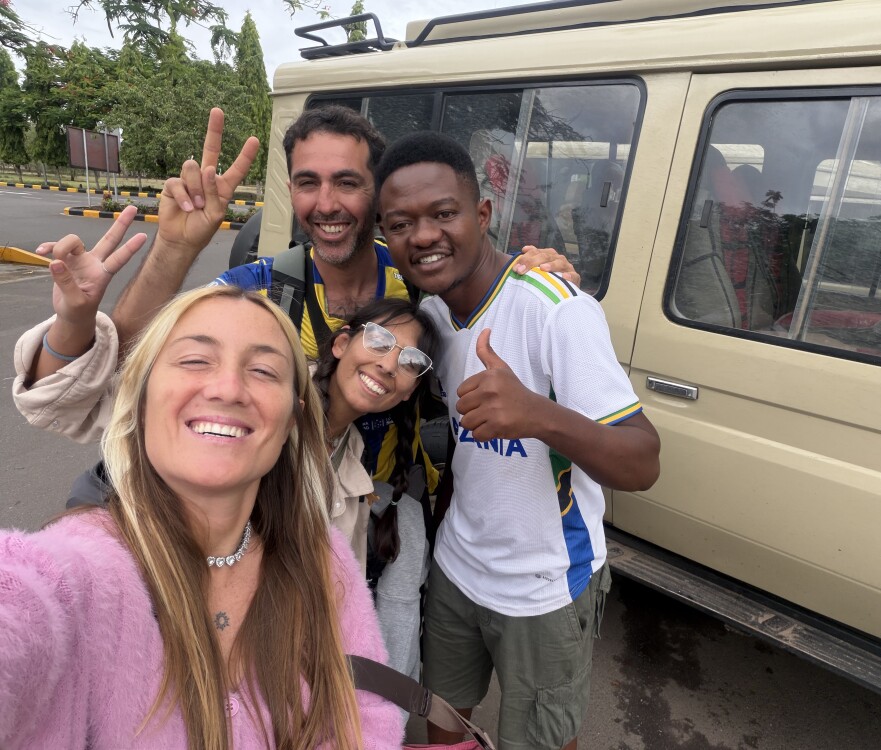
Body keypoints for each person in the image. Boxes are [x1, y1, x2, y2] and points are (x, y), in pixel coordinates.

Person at [27, 105, 577, 528]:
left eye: (347, 182)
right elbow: (122, 378)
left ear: (378, 196)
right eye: (307, 182)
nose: (326, 203)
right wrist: (174, 249)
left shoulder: (419, 284)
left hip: (382, 523)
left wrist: (537, 270)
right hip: (271, 524)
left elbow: (492, 283)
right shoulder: (258, 290)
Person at [2, 268, 402, 747]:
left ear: (292, 419)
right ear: (141, 398)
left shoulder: (322, 559)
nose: (227, 389)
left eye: (263, 371)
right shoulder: (75, 573)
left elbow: (365, 718)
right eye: (194, 361)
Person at [373, 132, 662, 750]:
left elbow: (642, 461)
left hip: (544, 586)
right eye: (400, 224)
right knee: (444, 724)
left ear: (482, 214)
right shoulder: (432, 316)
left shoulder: (556, 308)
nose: (423, 236)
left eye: (443, 214)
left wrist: (539, 416)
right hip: (456, 568)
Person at [312, 297, 440, 682]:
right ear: (341, 344)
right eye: (380, 341)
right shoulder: (281, 405)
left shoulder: (350, 448)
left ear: (408, 392)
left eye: (411, 362)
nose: (388, 365)